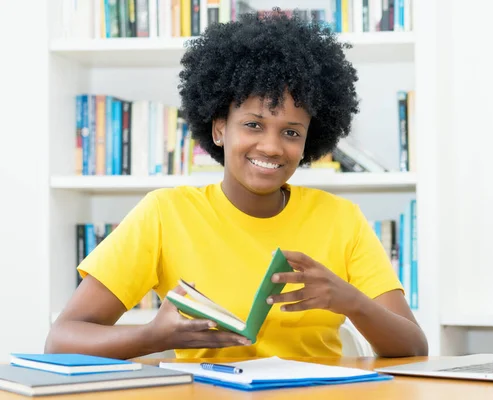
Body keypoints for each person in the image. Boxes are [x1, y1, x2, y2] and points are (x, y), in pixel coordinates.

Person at [44, 9, 428, 360]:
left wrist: (352, 302)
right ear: (219, 128)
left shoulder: (340, 219)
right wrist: (153, 336)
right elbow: (62, 340)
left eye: (291, 132)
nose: (272, 147)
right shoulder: (165, 214)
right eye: (253, 124)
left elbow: (413, 345)